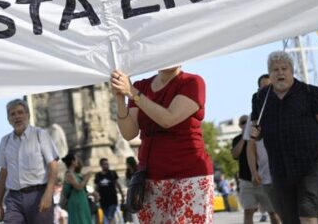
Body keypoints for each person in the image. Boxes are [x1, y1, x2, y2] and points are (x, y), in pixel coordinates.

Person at [111, 66, 214, 222]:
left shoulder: (192, 82)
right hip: (150, 179)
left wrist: (132, 93)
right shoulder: (141, 86)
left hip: (189, 176)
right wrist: (120, 99)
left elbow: (168, 119)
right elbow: (129, 133)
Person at [249, 51, 318, 224]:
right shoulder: (261, 98)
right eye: (275, 70)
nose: (280, 72)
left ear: (292, 71)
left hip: (309, 167)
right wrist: (256, 135)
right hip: (279, 170)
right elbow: (256, 132)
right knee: (289, 220)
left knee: (308, 218)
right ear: (270, 74)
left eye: (284, 68)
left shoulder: (310, 92)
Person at [0, 98, 59, 224]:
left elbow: (53, 165)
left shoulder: (40, 135)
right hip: (14, 199)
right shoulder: (5, 141)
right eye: (13, 114)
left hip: (39, 194)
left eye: (20, 112)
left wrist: (48, 193)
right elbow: (3, 173)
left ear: (27, 115)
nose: (17, 117)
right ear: (8, 119)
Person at [61, 153, 92, 224]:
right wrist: (86, 178)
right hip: (76, 203)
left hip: (81, 201)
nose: (77, 161)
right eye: (76, 159)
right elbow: (78, 187)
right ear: (72, 161)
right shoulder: (69, 174)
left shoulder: (75, 174)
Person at [94, 157, 124, 224]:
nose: (106, 165)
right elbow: (96, 188)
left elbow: (118, 184)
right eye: (104, 164)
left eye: (107, 164)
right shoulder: (98, 175)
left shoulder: (112, 173)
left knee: (110, 216)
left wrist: (122, 195)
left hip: (112, 200)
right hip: (103, 201)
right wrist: (96, 198)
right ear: (101, 165)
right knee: (107, 217)